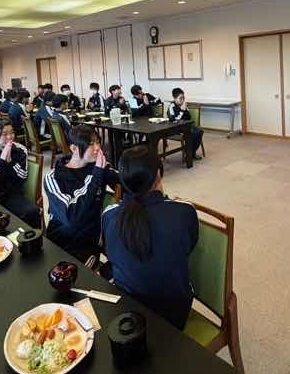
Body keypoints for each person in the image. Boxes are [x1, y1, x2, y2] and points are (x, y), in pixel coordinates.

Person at [102, 145, 199, 329]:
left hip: (126, 312)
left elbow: (110, 252)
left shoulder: (109, 215)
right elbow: (190, 245)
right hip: (173, 315)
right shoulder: (184, 211)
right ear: (158, 174)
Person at [44, 125, 120, 266]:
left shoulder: (99, 167)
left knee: (75, 276)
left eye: (98, 142)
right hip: (58, 240)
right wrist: (96, 175)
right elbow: (72, 218)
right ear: (74, 148)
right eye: (91, 144)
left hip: (87, 241)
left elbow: (125, 180)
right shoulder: (53, 177)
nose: (97, 148)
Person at [167, 88, 204, 160]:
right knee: (193, 133)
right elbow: (174, 120)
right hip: (176, 128)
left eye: (183, 98)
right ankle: (189, 153)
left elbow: (189, 117)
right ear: (174, 98)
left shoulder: (183, 105)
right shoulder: (171, 106)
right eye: (180, 98)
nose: (182, 100)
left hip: (186, 126)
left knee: (199, 131)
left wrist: (185, 110)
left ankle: (191, 152)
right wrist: (182, 110)